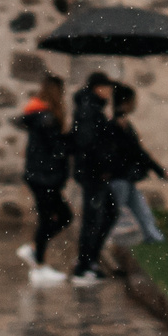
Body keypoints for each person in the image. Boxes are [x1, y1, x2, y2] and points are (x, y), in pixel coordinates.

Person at [12, 75, 73, 286]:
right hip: (45, 177)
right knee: (57, 217)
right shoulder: (46, 118)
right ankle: (37, 263)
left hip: (39, 176)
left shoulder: (38, 116)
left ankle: (35, 253)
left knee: (56, 217)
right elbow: (56, 150)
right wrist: (71, 142)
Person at [67, 72, 120, 285]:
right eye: (107, 87)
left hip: (94, 173)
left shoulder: (94, 109)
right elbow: (89, 143)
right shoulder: (89, 111)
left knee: (107, 212)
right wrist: (103, 165)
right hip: (93, 174)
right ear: (98, 87)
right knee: (94, 217)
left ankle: (90, 260)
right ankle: (84, 265)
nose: (110, 92)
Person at [105, 85, 168, 245]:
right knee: (113, 214)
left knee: (142, 211)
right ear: (125, 103)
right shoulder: (116, 126)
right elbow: (137, 152)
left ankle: (154, 238)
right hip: (119, 179)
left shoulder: (125, 125)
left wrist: (159, 170)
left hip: (126, 178)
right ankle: (100, 242)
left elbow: (139, 152)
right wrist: (159, 170)